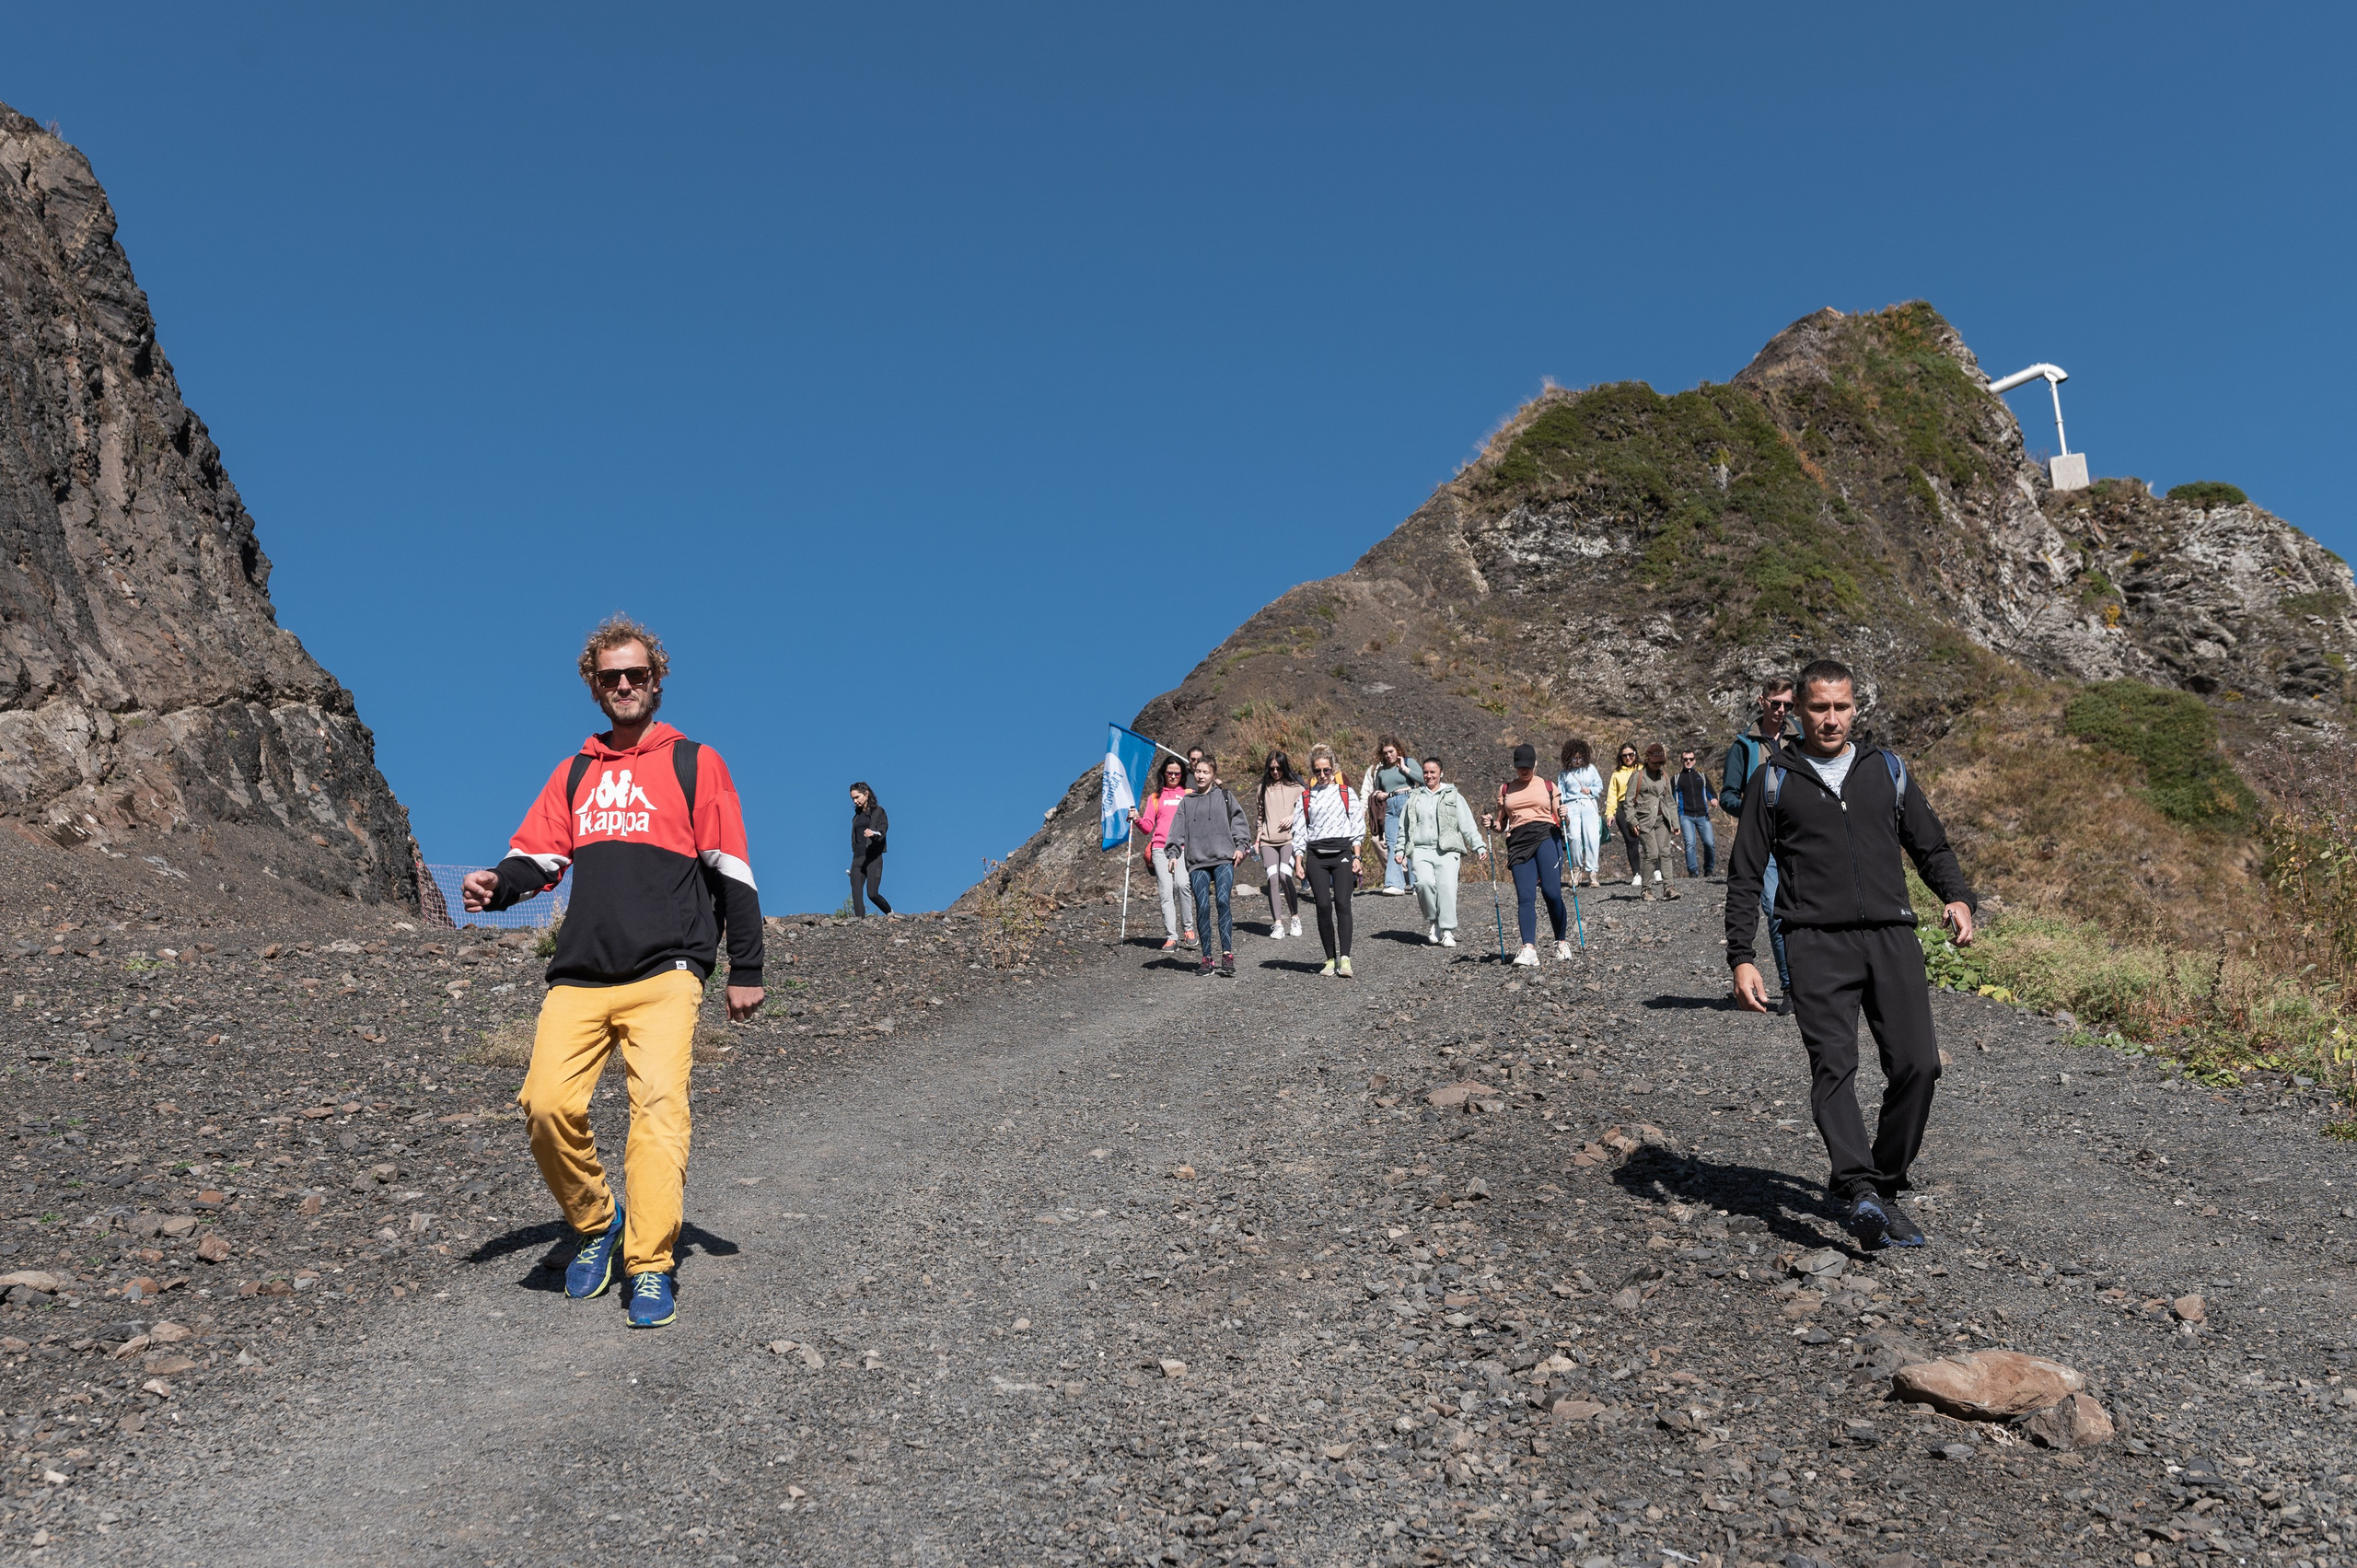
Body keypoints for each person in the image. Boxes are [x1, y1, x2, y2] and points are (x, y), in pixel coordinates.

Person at [461, 616, 763, 1330]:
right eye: (609, 677)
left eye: (635, 674)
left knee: (659, 1112)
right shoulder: (575, 773)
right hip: (581, 977)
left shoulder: (695, 762)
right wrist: (496, 885)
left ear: (657, 679)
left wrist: (745, 967)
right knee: (545, 1106)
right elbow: (538, 855)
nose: (624, 685)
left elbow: (733, 869)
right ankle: (598, 1221)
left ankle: (651, 1262)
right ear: (594, 687)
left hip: (667, 971)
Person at [1725, 658, 1977, 1249]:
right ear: (1796, 711)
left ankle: (1883, 1183)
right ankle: (1861, 1187)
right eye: (1819, 707)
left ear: (1855, 708)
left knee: (1919, 1065)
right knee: (1834, 1066)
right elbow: (1743, 877)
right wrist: (1742, 955)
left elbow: (1929, 843)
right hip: (1813, 943)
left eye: (1841, 707)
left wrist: (1959, 898)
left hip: (1892, 937)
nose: (1831, 719)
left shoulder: (1885, 770)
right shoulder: (1775, 779)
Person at [1723, 678, 1799, 1010]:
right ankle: (1791, 988)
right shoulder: (1743, 746)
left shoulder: (1803, 739)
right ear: (1761, 701)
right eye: (1775, 703)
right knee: (1774, 909)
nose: (1781, 710)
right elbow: (1727, 796)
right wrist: (1757, 811)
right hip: (1764, 843)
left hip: (1799, 840)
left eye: (1788, 704)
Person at [1487, 743, 1572, 967]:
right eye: (1519, 766)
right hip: (1518, 841)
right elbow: (1501, 824)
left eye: (1527, 766)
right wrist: (1491, 824)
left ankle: (1561, 941)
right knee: (1525, 896)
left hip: (1546, 835)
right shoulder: (1506, 789)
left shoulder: (1548, 786)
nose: (1523, 770)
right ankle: (1529, 949)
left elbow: (1561, 818)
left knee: (1551, 892)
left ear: (1535, 763)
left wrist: (1565, 815)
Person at [1168, 758, 1252, 977]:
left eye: (1206, 771)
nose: (1201, 775)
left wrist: (1241, 846)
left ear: (1214, 775)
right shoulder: (1186, 802)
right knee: (1203, 906)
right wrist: (1173, 853)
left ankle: (1227, 953)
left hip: (1224, 858)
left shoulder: (1225, 797)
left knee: (1223, 901)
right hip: (1198, 862)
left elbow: (1240, 823)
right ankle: (1207, 957)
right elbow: (1176, 831)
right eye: (1198, 771)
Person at [1289, 744, 1366, 978]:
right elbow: (1299, 830)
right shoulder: (1305, 796)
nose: (1322, 775)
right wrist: (1299, 860)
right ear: (1312, 772)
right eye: (1317, 771)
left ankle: (1345, 959)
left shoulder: (1346, 793)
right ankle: (1329, 959)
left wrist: (1357, 856)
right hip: (1316, 856)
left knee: (1343, 903)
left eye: (1326, 770)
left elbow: (1357, 825)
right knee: (1322, 905)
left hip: (1342, 852)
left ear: (1334, 769)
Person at [1395, 756, 1487, 946]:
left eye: (1433, 772)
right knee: (1423, 884)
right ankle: (1434, 920)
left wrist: (1478, 845)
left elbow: (1467, 823)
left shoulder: (1453, 795)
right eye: (1426, 772)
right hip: (1420, 849)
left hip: (1447, 849)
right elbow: (1404, 827)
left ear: (1441, 773)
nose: (1429, 776)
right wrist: (1400, 850)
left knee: (1447, 888)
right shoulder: (1414, 797)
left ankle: (1447, 931)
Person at [1132, 756, 1197, 952]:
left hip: (1184, 848)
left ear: (1182, 774)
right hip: (1160, 848)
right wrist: (1137, 819)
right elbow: (1147, 827)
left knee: (1183, 884)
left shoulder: (1189, 794)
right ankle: (1171, 937)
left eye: (1178, 773)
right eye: (1170, 772)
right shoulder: (1155, 798)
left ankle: (1189, 930)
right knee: (1166, 892)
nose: (1174, 776)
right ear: (1164, 774)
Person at [1254, 750, 1306, 939]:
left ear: (1285, 767)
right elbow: (1260, 815)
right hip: (1267, 841)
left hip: (1289, 840)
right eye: (1272, 768)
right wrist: (1258, 839)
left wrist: (1293, 817)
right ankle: (1277, 924)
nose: (1275, 772)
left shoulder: (1296, 787)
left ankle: (1295, 917)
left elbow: (1305, 811)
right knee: (1273, 879)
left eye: (1279, 768)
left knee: (1285, 876)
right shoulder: (1263, 788)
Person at [1363, 738, 1421, 897]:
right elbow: (1377, 789)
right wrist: (1378, 794)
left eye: (1391, 752)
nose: (1388, 755)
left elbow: (1423, 779)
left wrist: (1404, 769)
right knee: (1392, 843)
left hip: (1407, 800)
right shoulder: (1381, 771)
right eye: (1385, 753)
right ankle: (1395, 883)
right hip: (1389, 805)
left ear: (1398, 750)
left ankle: (1418, 884)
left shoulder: (1408, 762)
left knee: (1410, 841)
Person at [1628, 744, 1685, 899]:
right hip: (1644, 821)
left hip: (1662, 820)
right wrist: (1632, 821)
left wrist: (1675, 822)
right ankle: (1646, 890)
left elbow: (1670, 801)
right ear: (1647, 759)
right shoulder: (1638, 776)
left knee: (1665, 853)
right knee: (1652, 853)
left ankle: (1669, 888)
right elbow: (1628, 802)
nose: (1658, 765)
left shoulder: (1664, 776)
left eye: (1661, 762)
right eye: (1655, 762)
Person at [1558, 738, 1605, 889]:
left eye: (1580, 758)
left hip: (1589, 804)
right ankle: (1576, 870)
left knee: (1592, 838)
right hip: (1571, 806)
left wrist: (1590, 790)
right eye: (1574, 758)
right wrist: (1563, 811)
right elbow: (1561, 793)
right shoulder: (1564, 773)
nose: (1578, 761)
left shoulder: (1591, 769)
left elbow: (1599, 786)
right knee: (1574, 838)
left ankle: (1592, 873)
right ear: (1568, 757)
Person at [1602, 744, 1643, 886]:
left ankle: (1656, 870)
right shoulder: (1616, 773)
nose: (1628, 758)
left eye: (1631, 754)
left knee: (1647, 838)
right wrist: (1610, 814)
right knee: (1631, 840)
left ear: (1636, 754)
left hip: (1641, 806)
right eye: (1624, 755)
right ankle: (1637, 873)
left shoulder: (1643, 769)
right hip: (1622, 807)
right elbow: (1612, 795)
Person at [848, 782, 891, 916]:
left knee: (872, 894)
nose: (855, 801)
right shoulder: (856, 817)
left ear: (866, 794)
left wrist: (874, 834)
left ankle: (890, 913)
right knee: (856, 892)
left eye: (857, 797)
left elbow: (883, 830)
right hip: (858, 857)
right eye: (853, 799)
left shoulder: (879, 812)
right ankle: (859, 922)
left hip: (873, 857)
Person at [1673, 750, 1716, 878]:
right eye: (1685, 759)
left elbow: (1711, 792)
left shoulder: (1702, 777)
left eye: (1691, 759)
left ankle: (1709, 869)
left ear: (1695, 760)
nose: (1688, 761)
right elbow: (1670, 799)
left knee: (1709, 843)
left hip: (1703, 815)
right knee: (1690, 843)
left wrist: (1713, 799)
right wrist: (1672, 819)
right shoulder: (1676, 779)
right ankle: (1693, 871)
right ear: (1681, 761)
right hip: (1685, 816)